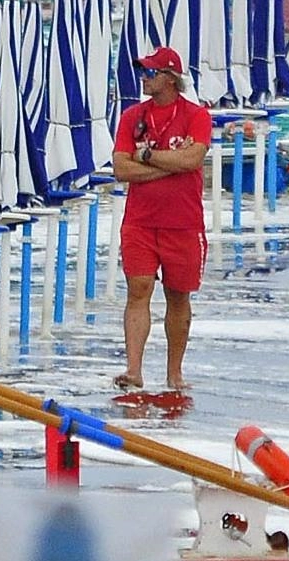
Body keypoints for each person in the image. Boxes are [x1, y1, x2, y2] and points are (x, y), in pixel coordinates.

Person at [111, 46, 211, 392]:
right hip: (139, 220)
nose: (145, 78)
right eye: (144, 72)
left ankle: (174, 372)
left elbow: (192, 160)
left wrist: (149, 156)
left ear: (171, 78)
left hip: (183, 222)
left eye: (151, 73)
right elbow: (121, 168)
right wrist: (168, 167)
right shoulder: (131, 117)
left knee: (178, 295)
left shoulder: (196, 116)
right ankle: (134, 369)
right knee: (138, 289)